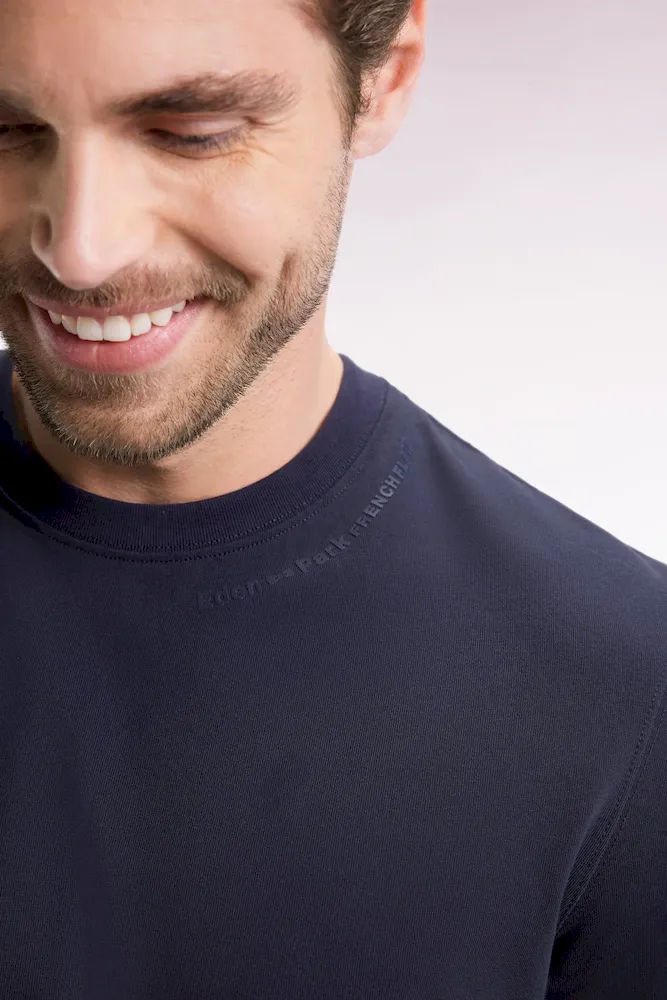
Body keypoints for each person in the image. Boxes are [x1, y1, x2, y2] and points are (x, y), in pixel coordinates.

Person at [0, 0, 664, 996]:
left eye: (192, 132)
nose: (80, 248)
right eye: (7, 130)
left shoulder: (627, 695)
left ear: (382, 78)